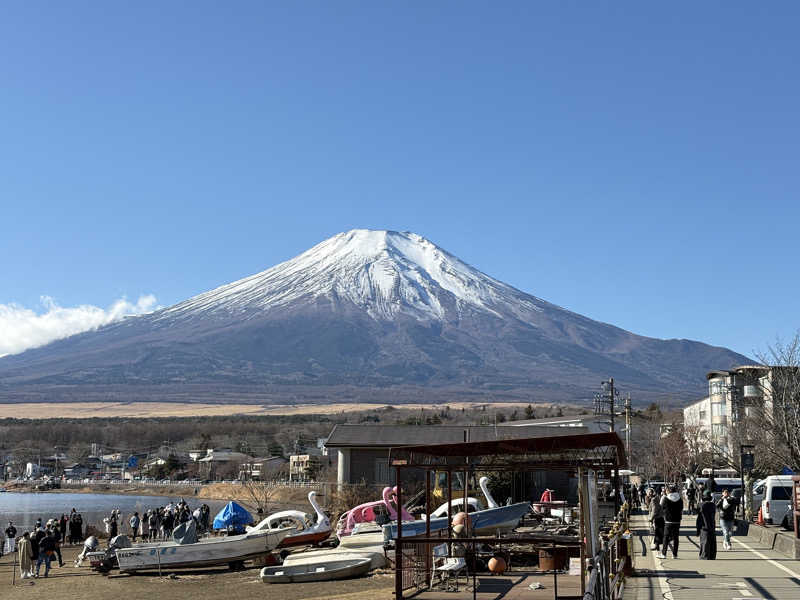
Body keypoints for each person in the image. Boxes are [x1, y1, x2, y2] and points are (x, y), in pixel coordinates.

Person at [659, 484, 683, 559]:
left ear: (668, 491)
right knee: (676, 538)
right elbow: (681, 508)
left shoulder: (666, 499)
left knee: (666, 537)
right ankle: (675, 554)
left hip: (668, 521)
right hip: (677, 521)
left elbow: (661, 507)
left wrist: (663, 496)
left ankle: (664, 553)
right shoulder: (680, 499)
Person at [696, 490, 717, 559]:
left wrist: (698, 529)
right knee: (712, 541)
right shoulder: (713, 505)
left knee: (704, 542)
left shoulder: (701, 505)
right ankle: (712, 555)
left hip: (704, 526)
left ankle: (704, 555)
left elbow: (699, 518)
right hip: (712, 525)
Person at [648, 488, 665, 553]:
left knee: (658, 533)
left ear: (652, 493)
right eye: (648, 492)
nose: (649, 494)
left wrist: (651, 519)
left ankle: (658, 547)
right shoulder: (656, 498)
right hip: (659, 518)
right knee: (658, 533)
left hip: (657, 518)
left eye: (650, 492)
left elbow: (654, 510)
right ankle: (657, 546)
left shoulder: (653, 499)